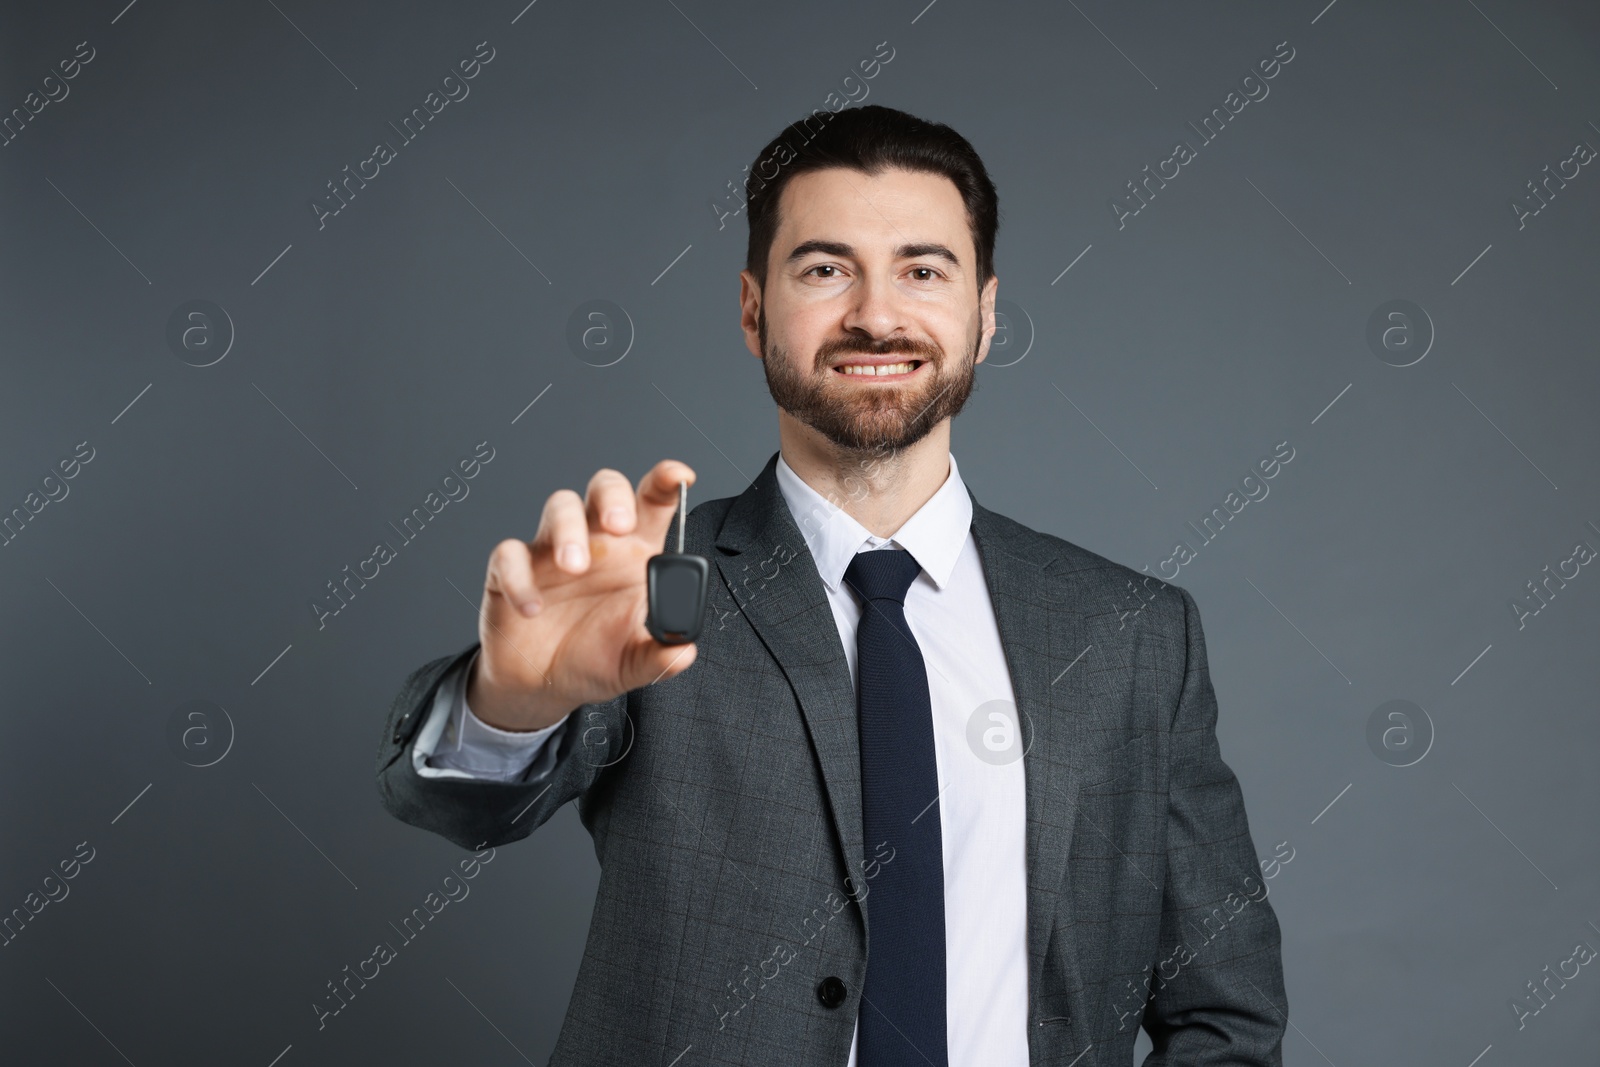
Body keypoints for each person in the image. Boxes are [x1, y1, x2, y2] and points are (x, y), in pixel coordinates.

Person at [375, 104, 1287, 1065]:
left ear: (985, 316)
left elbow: (1226, 1011)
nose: (877, 315)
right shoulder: (653, 587)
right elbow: (455, 806)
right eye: (824, 269)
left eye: (923, 270)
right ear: (751, 309)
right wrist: (515, 700)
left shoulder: (1134, 634)